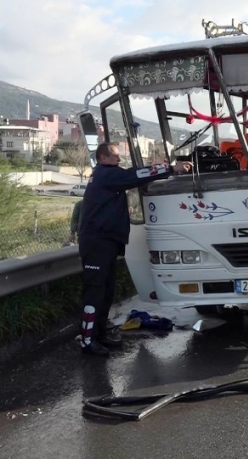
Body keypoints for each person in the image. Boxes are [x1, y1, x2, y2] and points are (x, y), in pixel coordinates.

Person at [77, 142, 192, 356]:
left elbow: (132, 175)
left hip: (108, 241)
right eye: (114, 156)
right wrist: (170, 169)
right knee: (94, 291)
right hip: (97, 242)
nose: (118, 160)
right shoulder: (104, 174)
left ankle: (99, 334)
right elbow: (135, 174)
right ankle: (87, 340)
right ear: (102, 158)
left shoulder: (108, 175)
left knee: (106, 291)